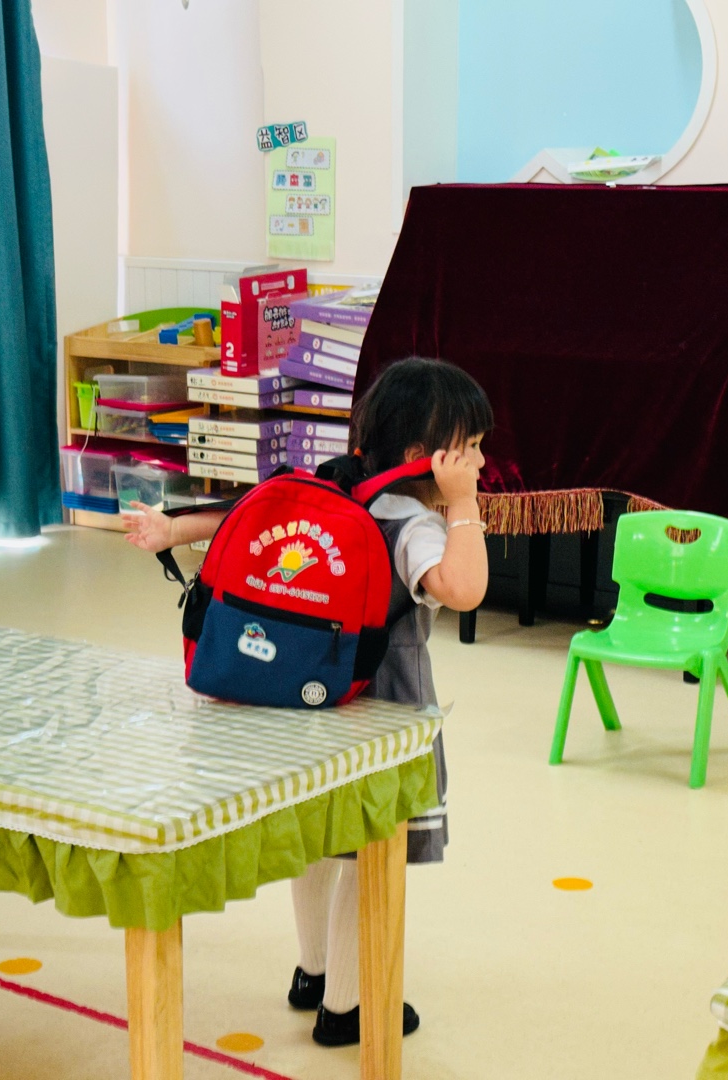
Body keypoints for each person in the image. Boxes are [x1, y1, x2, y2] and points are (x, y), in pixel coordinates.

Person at [123, 356, 492, 1046]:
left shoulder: (337, 487)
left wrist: (173, 530)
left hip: (310, 697)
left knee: (323, 845)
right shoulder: (414, 524)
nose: (478, 462)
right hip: (382, 710)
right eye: (467, 448)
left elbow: (249, 512)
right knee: (369, 854)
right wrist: (464, 506)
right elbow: (464, 589)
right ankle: (348, 1008)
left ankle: (314, 973)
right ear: (423, 456)